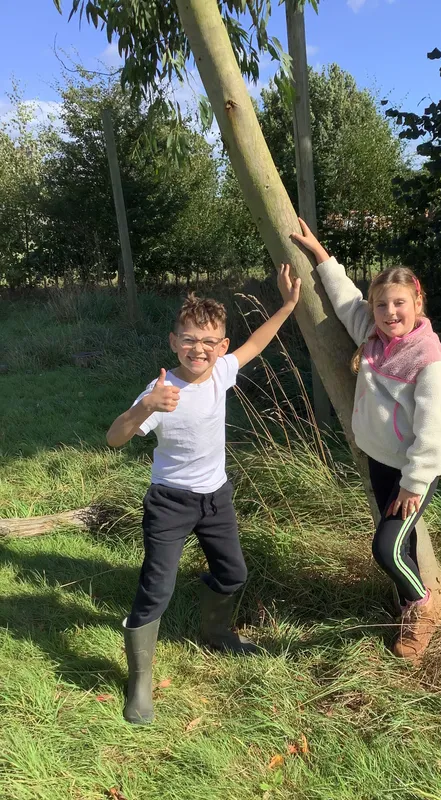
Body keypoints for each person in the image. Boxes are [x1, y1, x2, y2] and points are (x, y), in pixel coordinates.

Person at [106, 265, 300, 724]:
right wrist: (145, 407)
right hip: (170, 502)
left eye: (210, 342)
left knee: (233, 573)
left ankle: (216, 632)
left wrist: (289, 305)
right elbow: (115, 438)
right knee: (157, 588)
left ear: (221, 348)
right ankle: (139, 679)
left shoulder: (222, 373)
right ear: (174, 342)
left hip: (216, 498)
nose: (200, 349)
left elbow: (257, 342)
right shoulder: (161, 392)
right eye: (190, 339)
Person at [292, 219, 441, 663]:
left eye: (399, 303)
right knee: (398, 545)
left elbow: (436, 433)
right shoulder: (374, 334)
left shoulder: (429, 361)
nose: (389, 313)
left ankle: (422, 607)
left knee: (385, 548)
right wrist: (322, 256)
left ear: (418, 302)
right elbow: (345, 299)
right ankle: (410, 602)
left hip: (411, 471)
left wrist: (414, 482)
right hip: (379, 459)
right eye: (381, 304)